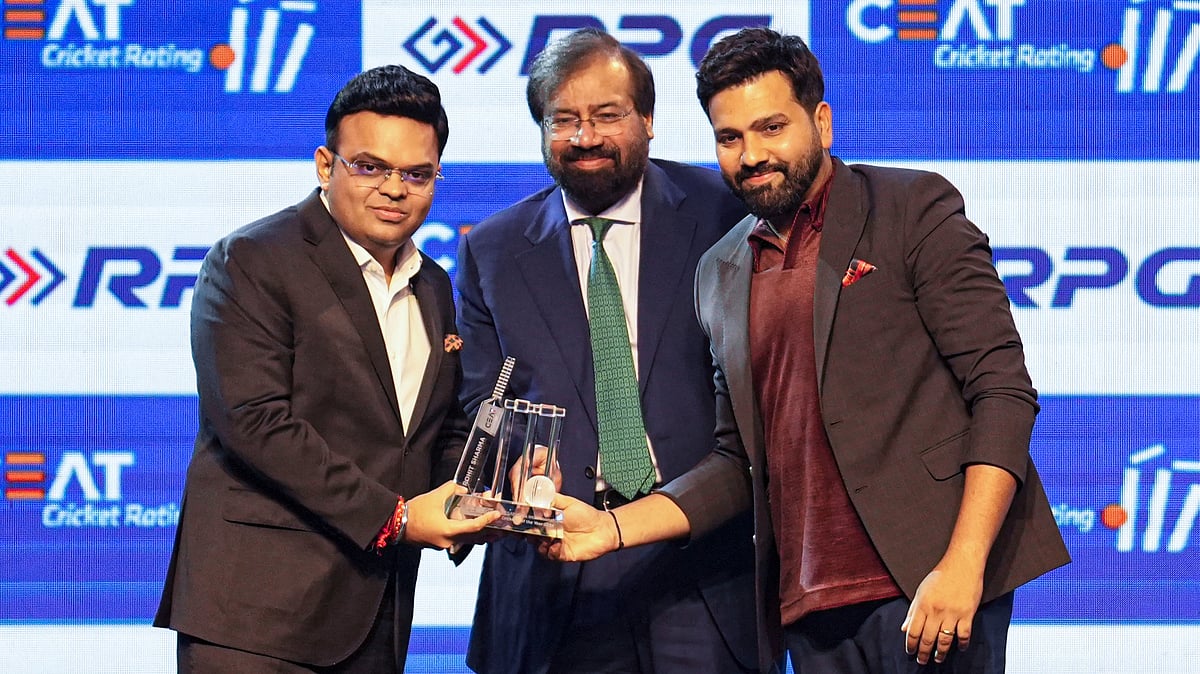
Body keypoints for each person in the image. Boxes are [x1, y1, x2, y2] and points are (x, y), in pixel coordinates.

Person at [542, 27, 1070, 674]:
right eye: (729, 137)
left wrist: (964, 564)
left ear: (820, 120)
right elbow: (739, 461)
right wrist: (614, 529)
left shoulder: (911, 207)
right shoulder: (719, 268)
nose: (752, 154)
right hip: (806, 616)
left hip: (929, 587)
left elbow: (1001, 392)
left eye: (771, 128)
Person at [154, 64, 499, 673]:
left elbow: (435, 430)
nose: (395, 189)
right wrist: (395, 518)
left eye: (417, 174)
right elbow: (254, 421)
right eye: (369, 166)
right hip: (256, 618)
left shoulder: (437, 286)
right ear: (325, 165)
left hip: (377, 615)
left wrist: (472, 491)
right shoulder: (253, 259)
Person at [456, 28, 759, 674]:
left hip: (701, 574)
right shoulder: (491, 250)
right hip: (553, 583)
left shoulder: (725, 214)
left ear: (648, 120)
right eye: (563, 120)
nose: (585, 137)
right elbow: (477, 407)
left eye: (606, 116)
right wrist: (510, 472)